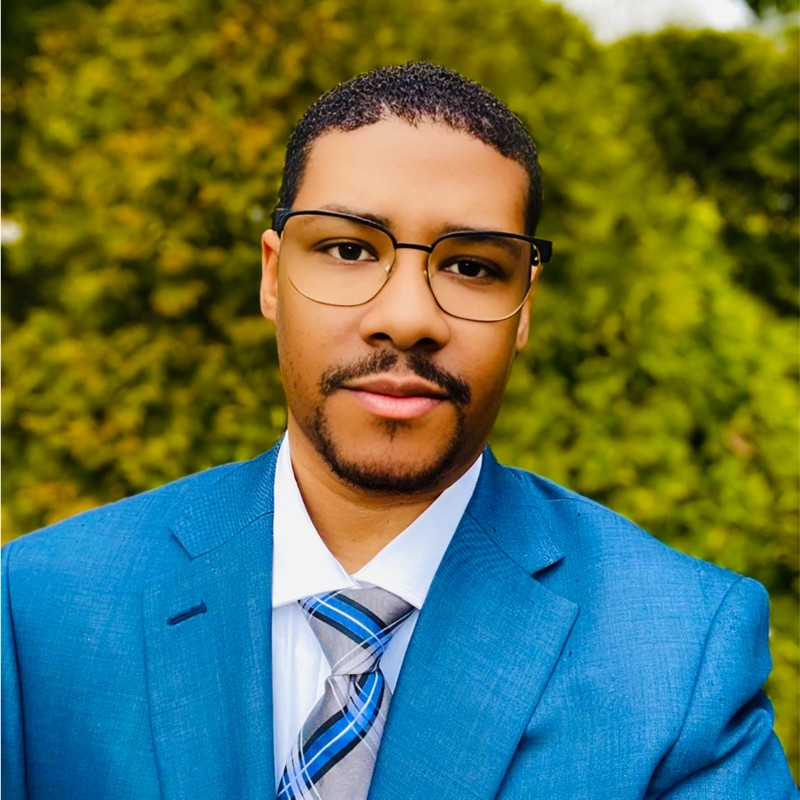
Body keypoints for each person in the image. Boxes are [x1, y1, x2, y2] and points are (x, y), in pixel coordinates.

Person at [2, 62, 795, 800]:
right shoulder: (38, 611)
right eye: (348, 249)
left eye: (473, 266)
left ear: (526, 305)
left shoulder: (681, 653)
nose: (408, 318)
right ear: (273, 276)